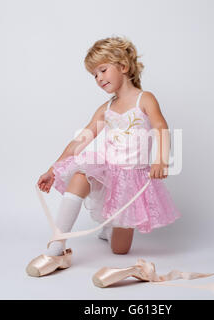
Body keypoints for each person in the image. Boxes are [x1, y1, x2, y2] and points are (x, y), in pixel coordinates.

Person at [26, 36, 182, 276]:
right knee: (80, 174)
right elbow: (79, 142)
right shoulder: (105, 108)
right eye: (94, 75)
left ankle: (109, 229)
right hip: (106, 170)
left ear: (123, 67)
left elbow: (161, 127)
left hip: (131, 177)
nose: (98, 78)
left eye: (102, 70)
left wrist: (160, 159)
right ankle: (57, 249)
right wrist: (52, 169)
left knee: (120, 250)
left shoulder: (145, 99)